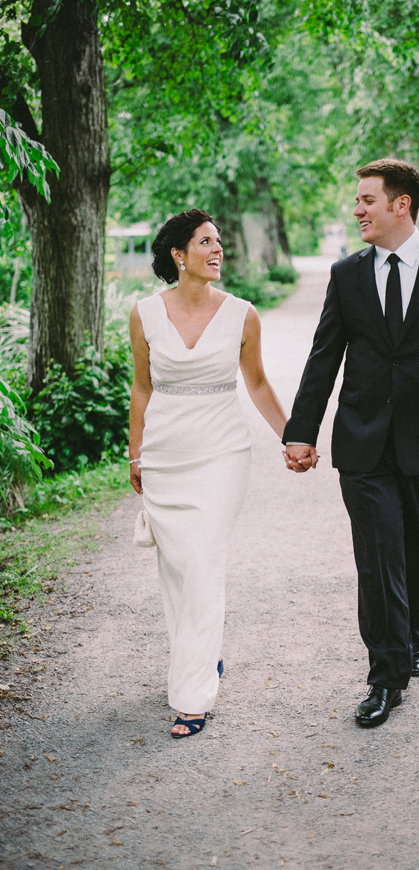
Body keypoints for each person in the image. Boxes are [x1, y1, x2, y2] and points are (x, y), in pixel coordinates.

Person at [283, 158, 419, 728]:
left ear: (401, 204)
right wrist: (300, 432)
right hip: (364, 443)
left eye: (367, 200)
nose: (357, 210)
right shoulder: (346, 274)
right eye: (357, 200)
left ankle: (413, 633)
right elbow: (323, 356)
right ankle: (386, 677)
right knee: (379, 559)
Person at [129, 209, 290, 739]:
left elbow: (259, 384)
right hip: (164, 455)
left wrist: (292, 437)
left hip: (222, 453)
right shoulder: (145, 314)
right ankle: (200, 660)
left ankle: (193, 697)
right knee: (177, 569)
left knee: (200, 563)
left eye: (219, 242)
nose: (218, 250)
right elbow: (142, 390)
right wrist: (135, 455)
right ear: (179, 255)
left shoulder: (243, 314)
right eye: (206, 242)